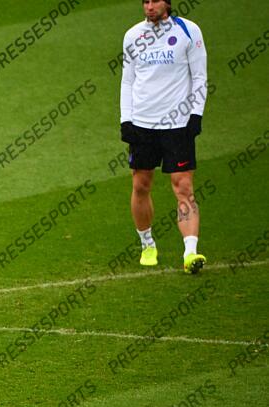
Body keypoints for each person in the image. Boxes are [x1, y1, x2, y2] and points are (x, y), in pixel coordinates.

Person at [120, 0, 208, 273]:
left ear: (167, 3)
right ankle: (147, 243)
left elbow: (200, 76)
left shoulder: (188, 30)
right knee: (141, 185)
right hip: (142, 124)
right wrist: (126, 120)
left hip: (178, 124)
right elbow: (128, 80)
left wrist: (196, 114)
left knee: (184, 188)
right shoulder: (133, 35)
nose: (149, 7)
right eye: (145, 2)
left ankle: (190, 253)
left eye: (154, 1)